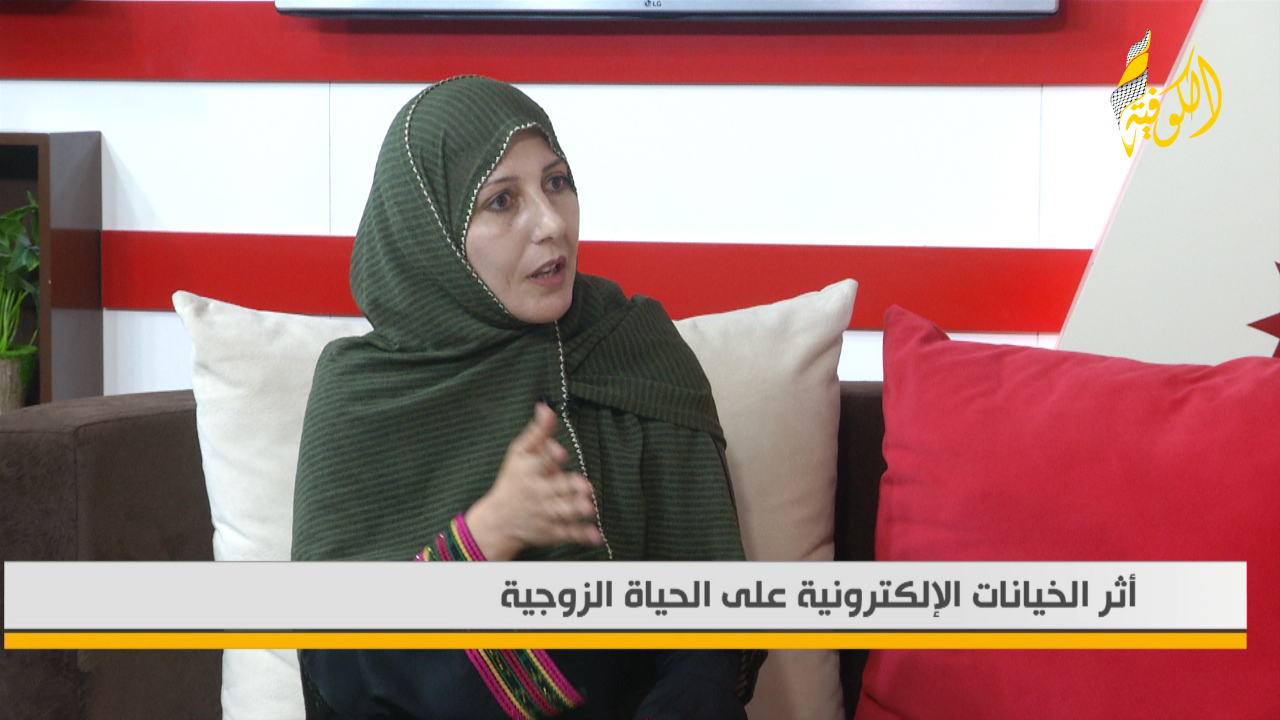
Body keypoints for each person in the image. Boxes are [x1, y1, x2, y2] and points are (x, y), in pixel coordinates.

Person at [292, 75, 763, 719]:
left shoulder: (634, 348)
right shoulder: (360, 394)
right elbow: (340, 664)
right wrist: (487, 534)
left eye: (557, 183)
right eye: (501, 201)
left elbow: (708, 634)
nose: (550, 223)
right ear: (430, 232)